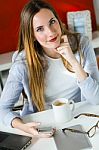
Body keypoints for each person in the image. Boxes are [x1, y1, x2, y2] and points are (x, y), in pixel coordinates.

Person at [0, 0, 99, 137]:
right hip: (44, 124)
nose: (51, 32)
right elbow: (2, 109)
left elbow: (96, 99)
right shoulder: (22, 63)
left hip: (79, 118)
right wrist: (23, 126)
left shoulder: (82, 44)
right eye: (40, 29)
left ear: (58, 21)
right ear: (32, 35)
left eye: (52, 22)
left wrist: (74, 62)